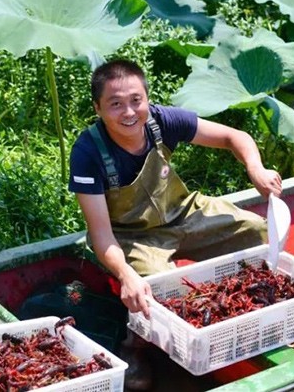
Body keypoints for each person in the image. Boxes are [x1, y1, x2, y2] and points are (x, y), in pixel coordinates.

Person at [68, 59, 282, 389]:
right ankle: (133, 347)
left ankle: (249, 308)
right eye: (116, 104)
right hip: (131, 235)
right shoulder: (87, 152)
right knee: (156, 286)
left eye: (136, 100)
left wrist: (256, 169)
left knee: (256, 230)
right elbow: (101, 234)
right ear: (98, 108)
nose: (129, 112)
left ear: (147, 99)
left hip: (182, 211)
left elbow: (234, 137)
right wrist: (127, 275)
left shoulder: (162, 121)